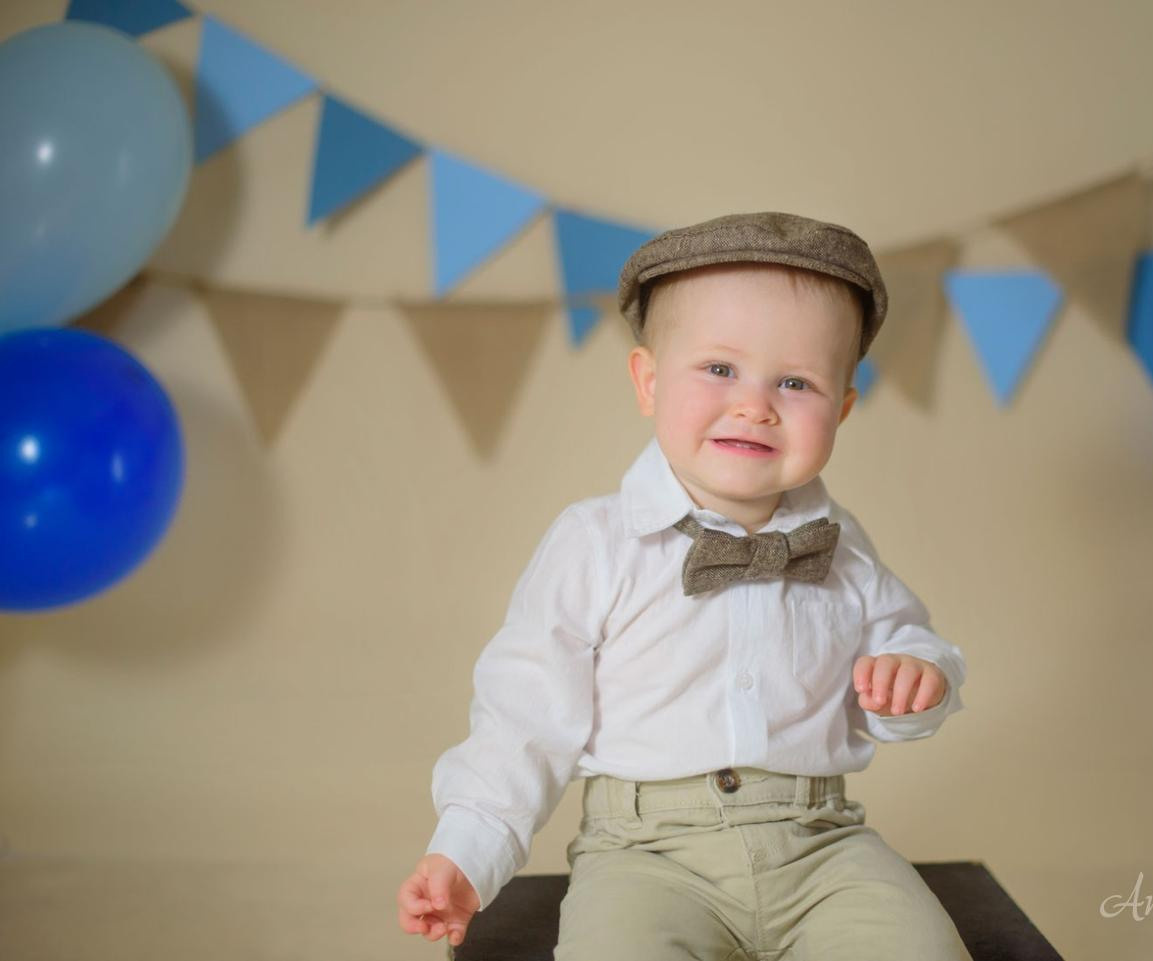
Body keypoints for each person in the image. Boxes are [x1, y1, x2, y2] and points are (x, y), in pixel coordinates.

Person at [396, 211, 971, 959]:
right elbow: (522, 718)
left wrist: (917, 677)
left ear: (842, 407)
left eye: (795, 382)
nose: (756, 405)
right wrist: (467, 850)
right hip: (644, 855)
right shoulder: (595, 542)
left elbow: (909, 639)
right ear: (648, 381)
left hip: (822, 845)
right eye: (720, 369)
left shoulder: (841, 544)